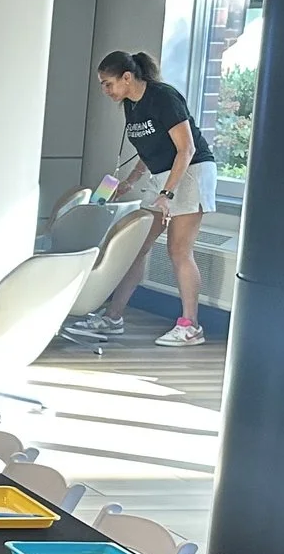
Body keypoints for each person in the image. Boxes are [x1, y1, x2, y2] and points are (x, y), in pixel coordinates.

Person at [65, 50, 216, 347]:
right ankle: (113, 317)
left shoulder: (163, 97)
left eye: (108, 83)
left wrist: (167, 194)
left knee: (178, 250)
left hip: (191, 171)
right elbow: (148, 150)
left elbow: (186, 149)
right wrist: (130, 182)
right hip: (163, 174)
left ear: (127, 77)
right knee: (136, 247)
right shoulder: (130, 106)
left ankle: (191, 327)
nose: (105, 90)